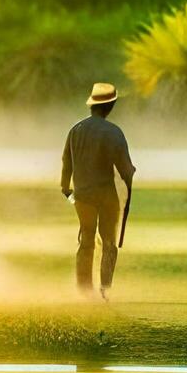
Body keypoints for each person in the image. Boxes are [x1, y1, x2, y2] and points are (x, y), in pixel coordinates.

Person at [61, 82, 136, 300]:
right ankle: (105, 289)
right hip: (105, 195)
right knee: (109, 243)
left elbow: (67, 162)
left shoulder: (75, 130)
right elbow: (125, 169)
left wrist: (66, 189)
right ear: (110, 106)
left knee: (86, 240)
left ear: (92, 105)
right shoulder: (113, 132)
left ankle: (84, 289)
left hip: (82, 195)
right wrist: (130, 173)